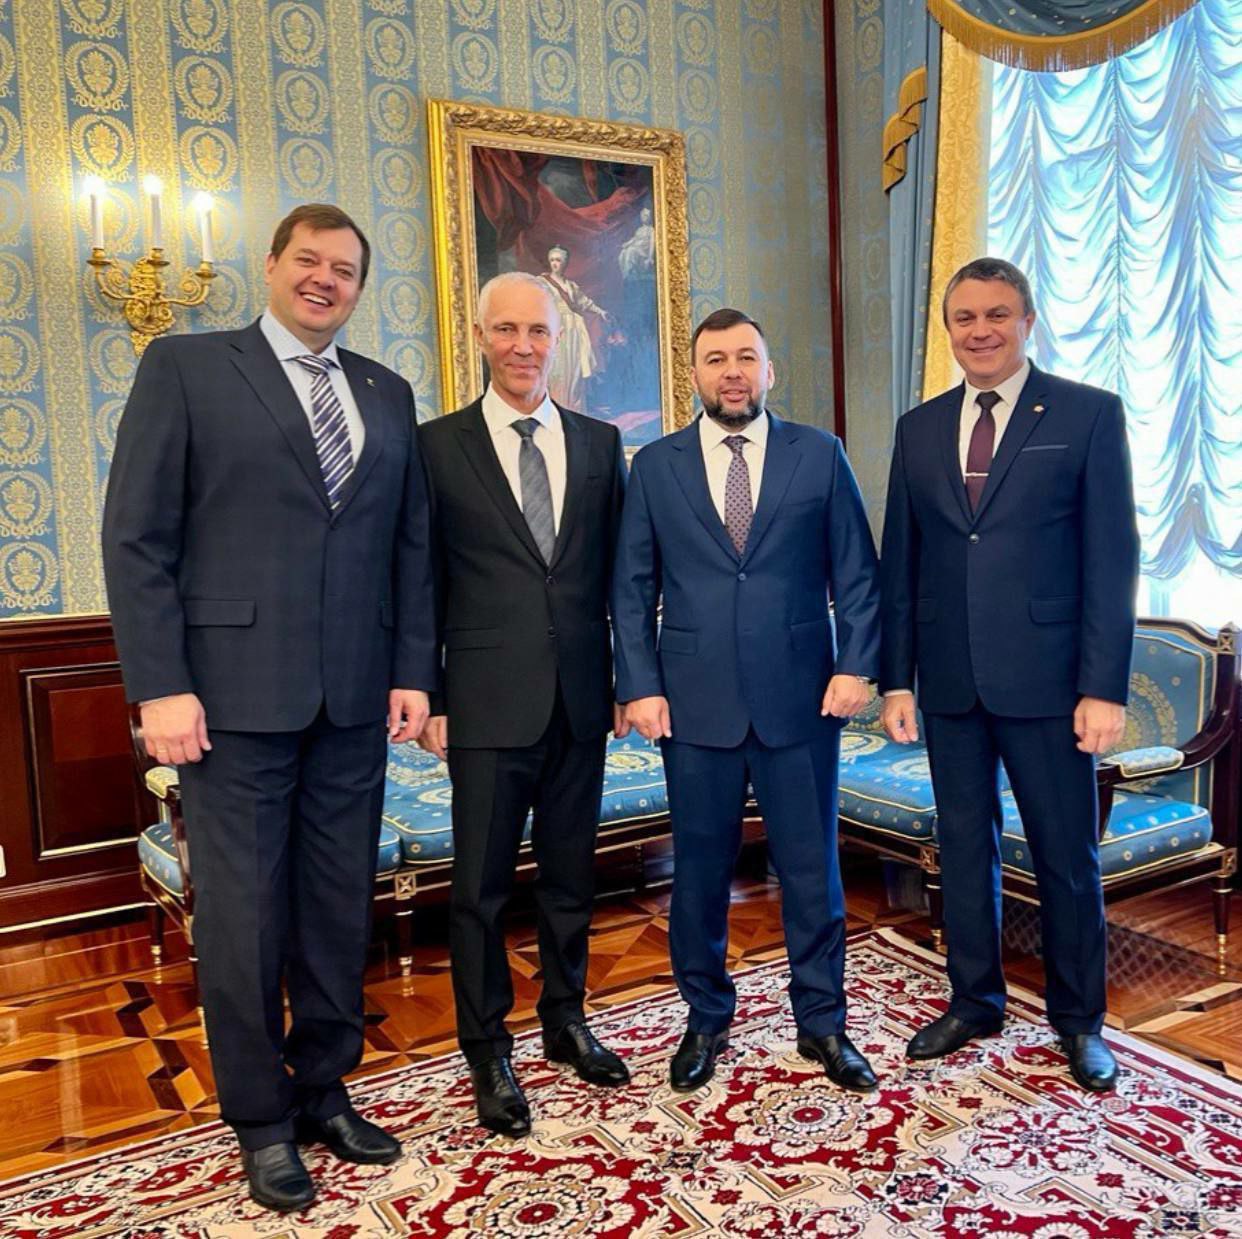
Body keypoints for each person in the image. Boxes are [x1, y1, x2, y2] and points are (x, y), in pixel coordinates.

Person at [101, 204, 437, 1211]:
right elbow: (137, 539)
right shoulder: (187, 367)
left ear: (360, 287)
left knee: (336, 906)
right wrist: (160, 685)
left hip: (354, 699)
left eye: (345, 269)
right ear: (272, 264)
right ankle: (259, 1118)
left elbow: (408, 546)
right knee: (244, 918)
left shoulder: (386, 391)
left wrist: (413, 671)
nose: (324, 279)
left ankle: (325, 1089)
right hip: (228, 701)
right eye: (308, 260)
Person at [879, 257, 1139, 1092]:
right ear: (948, 329)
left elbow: (1112, 559)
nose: (980, 330)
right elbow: (901, 565)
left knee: (1066, 856)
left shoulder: (1087, 413)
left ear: (1028, 321)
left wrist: (1103, 686)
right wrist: (896, 680)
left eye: (997, 314)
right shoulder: (918, 428)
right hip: (951, 683)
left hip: (1052, 685)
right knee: (964, 848)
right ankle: (974, 1000)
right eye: (965, 317)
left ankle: (1080, 1020)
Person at [612, 308, 882, 1094]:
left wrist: (857, 665)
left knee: (811, 868)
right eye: (715, 359)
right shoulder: (654, 466)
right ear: (694, 374)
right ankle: (705, 1016)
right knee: (699, 871)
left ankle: (823, 1021)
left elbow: (857, 572)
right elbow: (630, 589)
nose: (731, 371)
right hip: (692, 706)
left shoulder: (820, 454)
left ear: (769, 371)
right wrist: (640, 685)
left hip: (803, 700)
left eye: (745, 357)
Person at [416, 271, 629, 1138]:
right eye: (505, 330)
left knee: (572, 877)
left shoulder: (602, 444)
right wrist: (431, 695)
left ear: (558, 338)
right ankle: (487, 1049)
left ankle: (566, 1018)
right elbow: (419, 580)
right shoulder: (436, 446)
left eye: (537, 330)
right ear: (480, 337)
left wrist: (626, 683)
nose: (522, 346)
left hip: (580, 698)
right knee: (480, 890)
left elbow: (619, 579)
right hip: (483, 702)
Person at [539, 245, 610, 412]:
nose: (555, 264)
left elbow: (585, 302)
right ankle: (558, 409)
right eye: (552, 260)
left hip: (575, 330)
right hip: (556, 328)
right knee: (558, 369)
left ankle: (575, 410)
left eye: (558, 260)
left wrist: (601, 312)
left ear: (565, 262)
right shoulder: (543, 283)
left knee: (575, 369)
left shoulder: (571, 285)